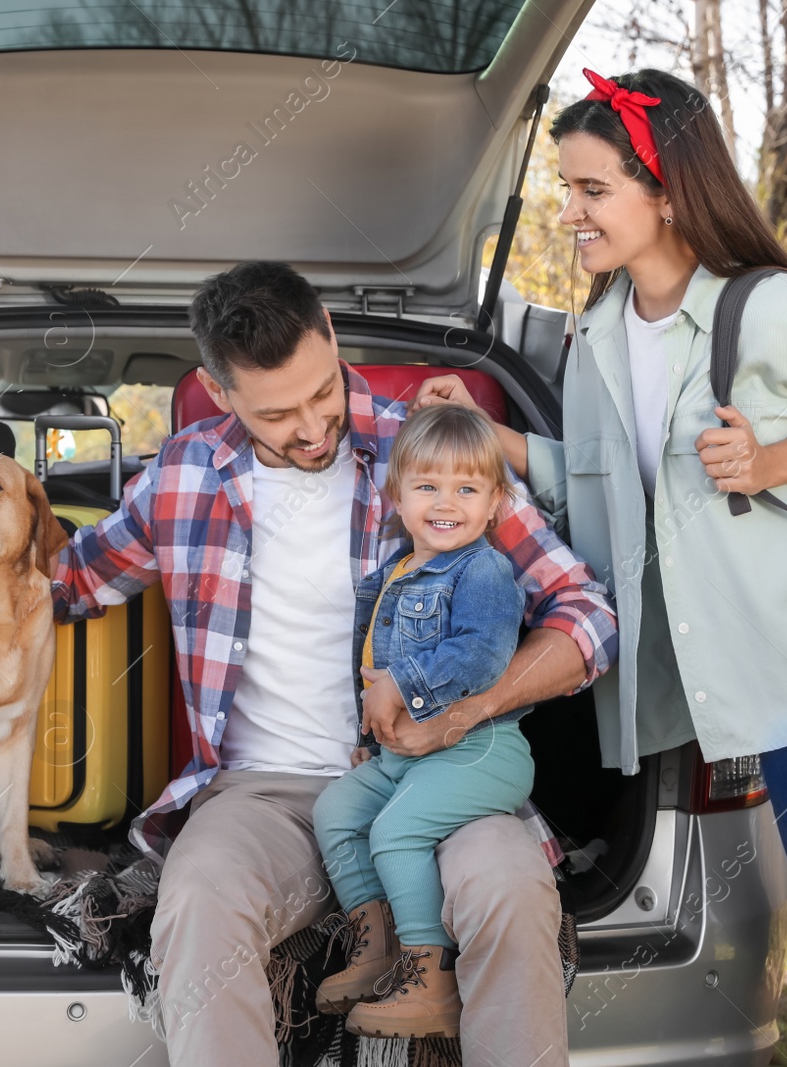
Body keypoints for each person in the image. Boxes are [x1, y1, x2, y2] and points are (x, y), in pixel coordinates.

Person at [417, 68, 787, 1067]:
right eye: (566, 189)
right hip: (773, 695)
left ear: (665, 191)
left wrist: (774, 459)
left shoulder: (765, 311)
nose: (570, 211)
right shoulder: (595, 335)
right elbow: (597, 490)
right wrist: (489, 438)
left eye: (592, 191)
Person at [51, 260, 618, 1067]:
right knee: (199, 896)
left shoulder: (429, 454)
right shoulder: (182, 474)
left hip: (440, 774)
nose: (316, 425)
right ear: (220, 394)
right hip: (262, 794)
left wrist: (459, 713)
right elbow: (64, 582)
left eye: (325, 392)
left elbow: (587, 614)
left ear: (329, 332)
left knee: (511, 887)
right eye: (279, 413)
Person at [312, 403, 530, 1040]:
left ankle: (428, 976)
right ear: (398, 499)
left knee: (397, 831)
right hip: (402, 755)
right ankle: (374, 947)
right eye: (428, 486)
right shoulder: (391, 576)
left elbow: (483, 655)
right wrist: (366, 736)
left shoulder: (483, 569)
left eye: (467, 489)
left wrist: (404, 687)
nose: (447, 502)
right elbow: (369, 671)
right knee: (336, 813)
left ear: (493, 505)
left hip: (481, 748)